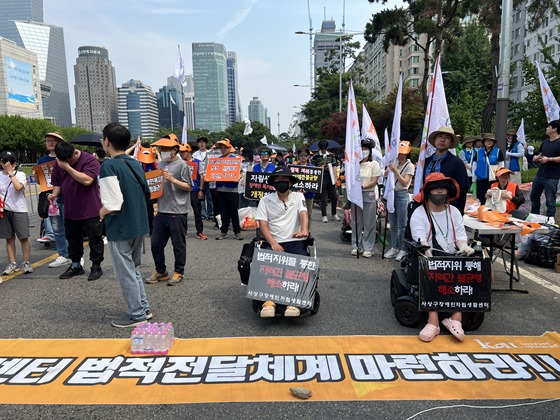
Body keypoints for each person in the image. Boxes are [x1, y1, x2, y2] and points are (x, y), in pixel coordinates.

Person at [98, 123, 153, 328]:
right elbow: (148, 192)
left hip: (121, 226)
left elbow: (112, 203)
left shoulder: (109, 166)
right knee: (134, 269)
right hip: (139, 223)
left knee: (125, 272)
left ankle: (137, 314)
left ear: (107, 141)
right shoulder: (135, 163)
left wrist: (101, 213)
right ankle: (144, 308)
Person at [410, 172, 475, 343]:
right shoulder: (419, 213)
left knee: (464, 269)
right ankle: (434, 321)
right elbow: (421, 240)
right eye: (436, 189)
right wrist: (429, 257)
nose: (440, 192)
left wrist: (464, 247)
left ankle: (456, 319)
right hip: (429, 254)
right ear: (429, 191)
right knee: (432, 270)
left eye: (443, 189)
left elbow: (460, 236)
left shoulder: (454, 212)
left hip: (452, 255)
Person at [255, 166, 309, 318]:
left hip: (294, 239)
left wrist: (304, 229)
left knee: (299, 263)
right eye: (278, 180)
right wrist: (273, 243)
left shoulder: (298, 197)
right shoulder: (265, 200)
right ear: (273, 183)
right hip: (273, 240)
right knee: (267, 265)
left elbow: (303, 214)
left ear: (290, 182)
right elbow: (262, 225)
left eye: (285, 180)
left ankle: (292, 301)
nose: (281, 183)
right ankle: (269, 300)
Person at [49, 143, 104, 280]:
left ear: (75, 153)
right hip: (70, 208)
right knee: (72, 239)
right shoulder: (59, 163)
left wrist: (67, 168)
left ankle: (96, 266)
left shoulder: (89, 160)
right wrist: (54, 194)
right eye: (65, 162)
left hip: (90, 208)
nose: (70, 163)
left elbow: (87, 180)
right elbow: (57, 182)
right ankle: (75, 265)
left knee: (95, 238)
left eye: (71, 160)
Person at [147, 136, 192, 286]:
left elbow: (189, 187)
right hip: (161, 210)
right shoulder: (160, 163)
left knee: (178, 244)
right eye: (161, 149)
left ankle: (179, 271)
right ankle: (161, 271)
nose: (163, 151)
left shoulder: (182, 165)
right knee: (155, 243)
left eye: (166, 149)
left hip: (177, 211)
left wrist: (173, 180)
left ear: (174, 150)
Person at [37, 132, 71, 268]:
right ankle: (63, 255)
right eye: (47, 141)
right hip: (51, 199)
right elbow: (42, 182)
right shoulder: (42, 160)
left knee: (71, 228)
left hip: (67, 197)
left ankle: (75, 255)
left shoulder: (65, 157)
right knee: (57, 229)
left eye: (53, 141)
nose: (50, 143)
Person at [423, 126, 469, 213]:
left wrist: (459, 212)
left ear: (450, 142)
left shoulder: (457, 163)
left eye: (447, 138)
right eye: (440, 136)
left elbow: (462, 189)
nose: (442, 140)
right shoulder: (427, 161)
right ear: (435, 139)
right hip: (426, 207)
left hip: (448, 209)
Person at [0, 151, 32, 275]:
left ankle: (26, 262)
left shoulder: (20, 174)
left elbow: (19, 188)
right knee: (9, 238)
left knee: (23, 237)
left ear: (15, 163)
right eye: (5, 161)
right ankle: (12, 263)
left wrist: (10, 174)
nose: (8, 164)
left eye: (11, 161)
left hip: (19, 209)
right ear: (0, 162)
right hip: (4, 210)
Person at [350, 140, 382, 258]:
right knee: (355, 221)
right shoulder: (354, 164)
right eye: (362, 148)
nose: (364, 151)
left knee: (369, 222)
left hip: (368, 194)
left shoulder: (374, 164)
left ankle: (368, 247)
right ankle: (355, 245)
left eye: (366, 148)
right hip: (355, 195)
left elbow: (374, 181)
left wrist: (361, 186)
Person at [384, 141, 415, 261]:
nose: (400, 155)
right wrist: (390, 168)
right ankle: (394, 247)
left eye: (403, 153)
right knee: (393, 224)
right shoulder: (394, 162)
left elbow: (405, 182)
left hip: (402, 194)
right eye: (399, 153)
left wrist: (396, 172)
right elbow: (385, 175)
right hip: (392, 194)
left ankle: (403, 249)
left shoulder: (409, 166)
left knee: (403, 225)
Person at [530, 120, 560, 224]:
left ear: (554, 129)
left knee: (550, 200)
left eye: (548, 127)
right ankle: (534, 218)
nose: (546, 129)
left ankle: (550, 221)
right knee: (534, 196)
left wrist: (549, 159)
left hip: (552, 176)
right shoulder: (545, 142)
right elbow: (541, 153)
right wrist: (536, 157)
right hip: (540, 174)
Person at [214, 138, 243, 240]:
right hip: (221, 189)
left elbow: (241, 172)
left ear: (229, 148)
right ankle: (223, 231)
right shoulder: (217, 160)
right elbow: (213, 172)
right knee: (223, 212)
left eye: (225, 148)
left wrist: (238, 176)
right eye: (221, 148)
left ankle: (237, 231)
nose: (223, 149)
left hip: (232, 189)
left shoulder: (235, 159)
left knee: (234, 212)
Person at [179, 143, 208, 240]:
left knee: (197, 212)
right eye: (181, 152)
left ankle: (199, 232)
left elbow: (202, 176)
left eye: (184, 152)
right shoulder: (179, 162)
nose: (182, 153)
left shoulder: (197, 162)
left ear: (189, 151)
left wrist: (201, 190)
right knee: (182, 212)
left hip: (194, 190)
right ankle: (183, 231)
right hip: (182, 190)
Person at [311, 139, 340, 222]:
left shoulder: (331, 155)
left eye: (325, 148)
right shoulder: (315, 157)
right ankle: (324, 215)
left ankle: (334, 213)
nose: (323, 150)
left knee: (334, 196)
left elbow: (334, 167)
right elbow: (312, 168)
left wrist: (335, 177)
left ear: (327, 147)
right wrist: (320, 168)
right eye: (322, 149)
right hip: (322, 177)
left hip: (330, 177)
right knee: (323, 197)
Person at [472, 133, 505, 205]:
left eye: (491, 140)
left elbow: (501, 164)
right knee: (481, 197)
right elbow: (474, 164)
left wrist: (500, 176)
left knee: (492, 197)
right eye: (487, 140)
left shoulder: (498, 151)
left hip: (493, 179)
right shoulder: (479, 151)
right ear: (483, 142)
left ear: (493, 142)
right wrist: (473, 178)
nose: (489, 142)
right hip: (481, 179)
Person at [193, 136, 213, 221]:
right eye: (200, 142)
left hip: (208, 178)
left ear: (206, 143)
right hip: (198, 178)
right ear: (198, 144)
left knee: (209, 197)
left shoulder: (210, 153)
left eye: (203, 142)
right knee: (200, 197)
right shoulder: (195, 154)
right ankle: (203, 214)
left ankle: (210, 214)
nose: (202, 144)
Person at [294, 147, 314, 227]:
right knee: (296, 214)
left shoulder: (313, 167)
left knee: (308, 214)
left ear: (308, 156)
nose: (303, 157)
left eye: (305, 155)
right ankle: (297, 230)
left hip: (309, 194)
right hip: (297, 194)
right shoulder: (294, 168)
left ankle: (307, 232)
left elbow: (316, 182)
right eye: (301, 155)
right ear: (298, 156)